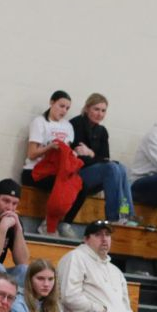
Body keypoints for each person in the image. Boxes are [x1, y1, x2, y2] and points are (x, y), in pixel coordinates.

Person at [67, 92, 136, 226]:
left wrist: (91, 153)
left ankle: (127, 214)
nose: (100, 114)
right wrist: (96, 158)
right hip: (78, 174)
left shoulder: (102, 131)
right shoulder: (75, 124)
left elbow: (104, 158)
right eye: (96, 109)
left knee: (121, 168)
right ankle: (114, 217)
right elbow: (80, 159)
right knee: (111, 168)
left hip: (96, 174)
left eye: (103, 111)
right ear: (87, 108)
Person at [19, 90, 86, 228]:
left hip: (56, 170)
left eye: (67, 108)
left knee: (81, 186)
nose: (64, 111)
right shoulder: (40, 122)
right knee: (62, 184)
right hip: (34, 171)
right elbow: (31, 154)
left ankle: (65, 224)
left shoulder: (67, 126)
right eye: (61, 106)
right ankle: (48, 224)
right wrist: (49, 147)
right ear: (51, 103)